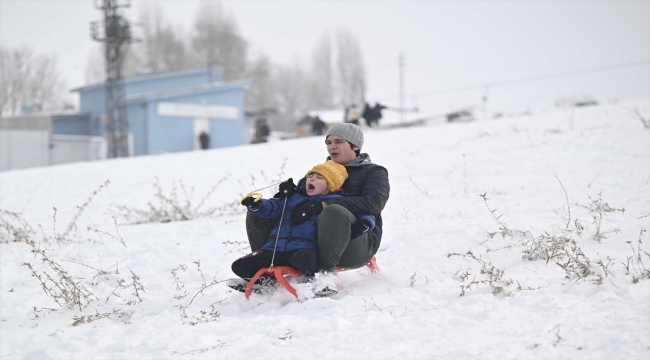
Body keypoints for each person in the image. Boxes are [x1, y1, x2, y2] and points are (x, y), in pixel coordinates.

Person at [245, 123, 389, 295]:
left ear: (355, 146)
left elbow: (374, 202)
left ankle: (325, 277)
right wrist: (285, 194)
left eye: (338, 141)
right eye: (328, 142)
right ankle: (265, 267)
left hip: (355, 242)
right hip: (308, 246)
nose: (331, 147)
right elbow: (291, 205)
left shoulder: (373, 172)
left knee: (333, 211)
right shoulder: (322, 171)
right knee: (258, 212)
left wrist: (321, 205)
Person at [231, 160, 376, 296]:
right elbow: (274, 207)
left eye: (319, 177)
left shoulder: (335, 202)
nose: (311, 179)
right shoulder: (293, 198)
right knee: (238, 266)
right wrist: (257, 205)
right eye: (310, 176)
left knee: (307, 260)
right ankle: (266, 284)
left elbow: (361, 213)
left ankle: (312, 283)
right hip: (275, 248)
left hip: (303, 248)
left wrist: (365, 223)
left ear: (331, 186)